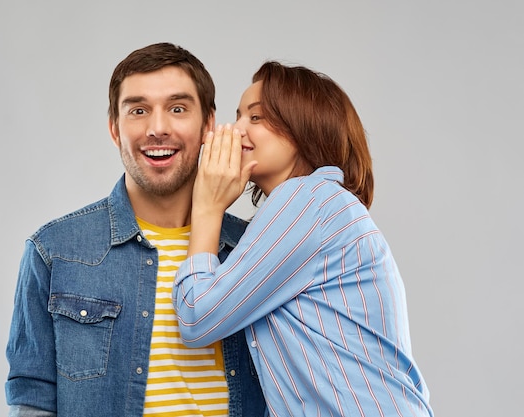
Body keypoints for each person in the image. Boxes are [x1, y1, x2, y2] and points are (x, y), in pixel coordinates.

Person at [5, 42, 265, 417]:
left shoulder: (258, 250)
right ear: (115, 128)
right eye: (138, 110)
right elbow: (32, 402)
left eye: (177, 109)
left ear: (209, 124)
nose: (157, 128)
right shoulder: (54, 252)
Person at [172, 61, 434, 416]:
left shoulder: (307, 200)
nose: (235, 131)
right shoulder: (318, 204)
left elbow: (197, 317)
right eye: (238, 117)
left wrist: (206, 206)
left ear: (301, 128)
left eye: (257, 118)